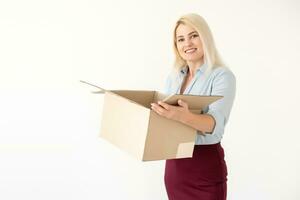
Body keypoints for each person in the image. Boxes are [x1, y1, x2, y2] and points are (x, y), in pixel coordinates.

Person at [150, 13, 236, 200]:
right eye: (181, 39)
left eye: (194, 35)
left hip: (204, 168)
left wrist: (180, 116)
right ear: (176, 46)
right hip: (175, 169)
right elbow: (166, 121)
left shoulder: (222, 76)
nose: (187, 43)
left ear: (205, 37)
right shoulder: (173, 77)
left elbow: (215, 125)